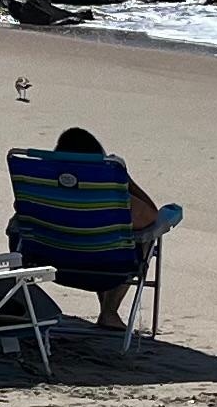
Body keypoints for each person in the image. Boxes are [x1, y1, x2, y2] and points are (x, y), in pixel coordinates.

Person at [40, 124, 160, 333]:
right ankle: (109, 312)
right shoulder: (107, 192)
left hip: (50, 265)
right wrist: (125, 178)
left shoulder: (41, 186)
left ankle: (20, 304)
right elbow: (150, 215)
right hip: (105, 268)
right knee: (141, 237)